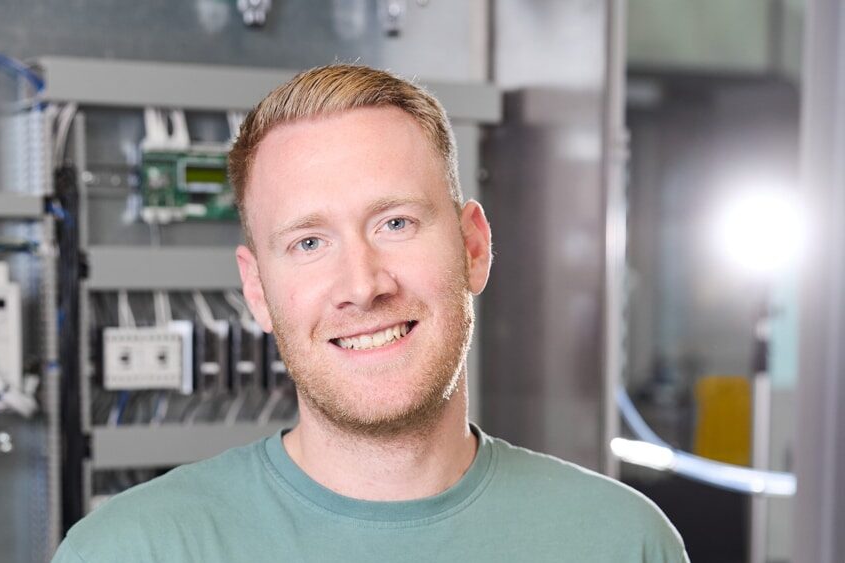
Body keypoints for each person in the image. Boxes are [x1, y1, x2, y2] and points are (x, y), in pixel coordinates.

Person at [52, 64, 689, 562]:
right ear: (257, 290)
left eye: (396, 223)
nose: (362, 286)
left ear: (473, 247)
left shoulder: (621, 543)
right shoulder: (130, 551)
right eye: (309, 243)